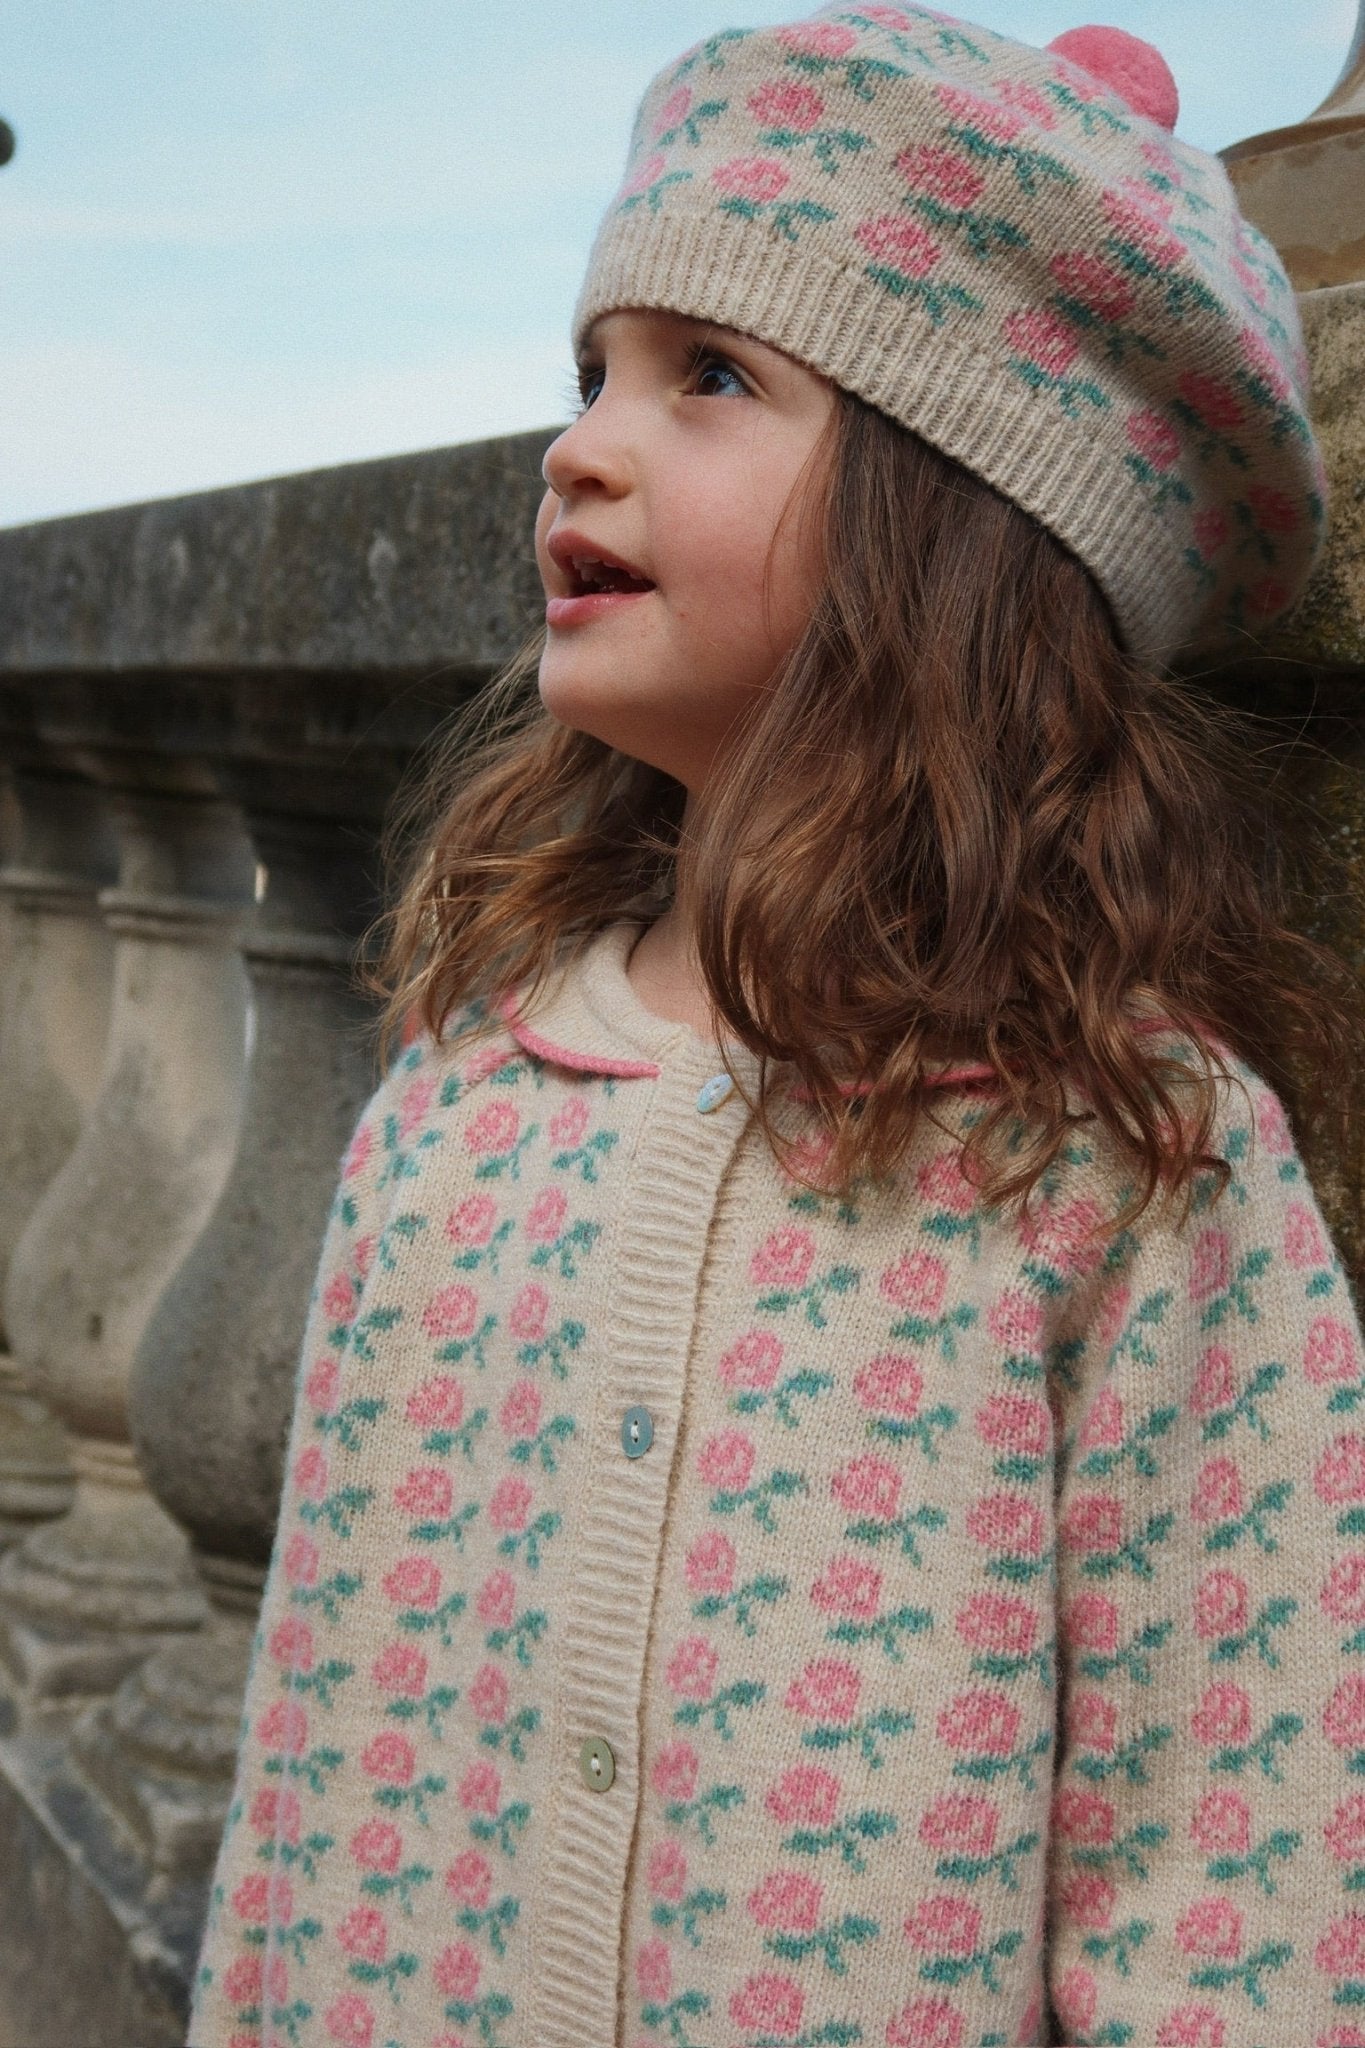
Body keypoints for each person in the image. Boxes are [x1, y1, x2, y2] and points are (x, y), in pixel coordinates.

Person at [188, 6, 1365, 2044]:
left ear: (964, 521)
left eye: (709, 374)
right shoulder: (453, 1111)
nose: (577, 444)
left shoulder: (1125, 1163)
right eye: (591, 371)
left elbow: (1234, 1894)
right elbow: (302, 1770)